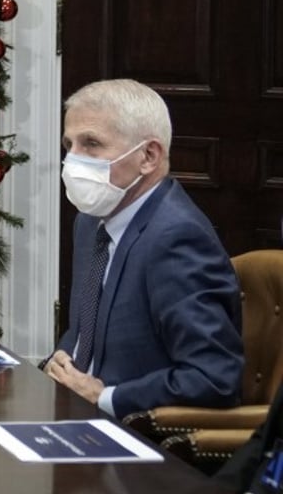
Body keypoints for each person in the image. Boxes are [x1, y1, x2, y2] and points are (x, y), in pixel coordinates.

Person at [41, 78, 243, 419]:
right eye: (68, 144)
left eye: (91, 144)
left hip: (138, 439)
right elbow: (85, 333)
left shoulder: (177, 238)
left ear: (148, 156)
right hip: (72, 419)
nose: (72, 160)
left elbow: (215, 377)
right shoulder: (90, 222)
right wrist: (58, 362)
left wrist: (106, 397)